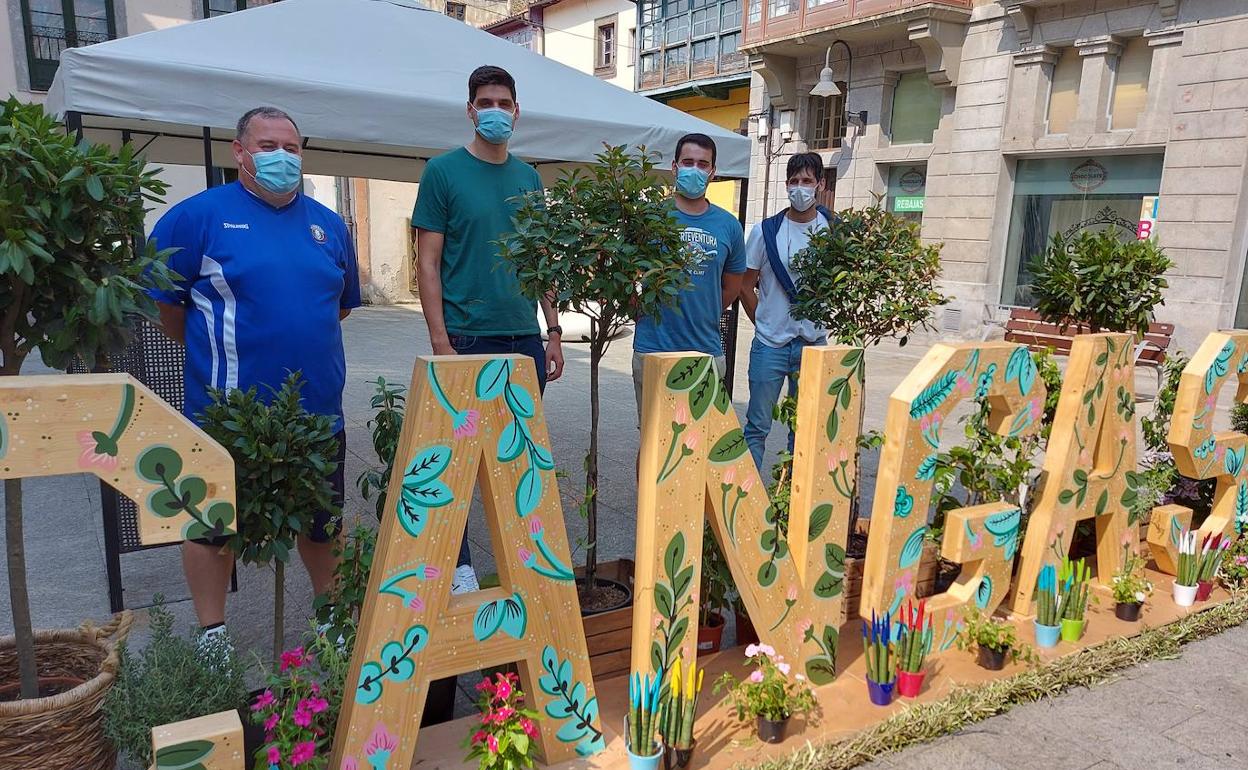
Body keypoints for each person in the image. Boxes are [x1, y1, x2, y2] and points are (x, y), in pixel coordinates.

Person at [148, 106, 360, 646]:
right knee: (211, 526)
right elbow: (167, 309)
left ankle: (332, 623)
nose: (282, 157)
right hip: (229, 418)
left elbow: (337, 307)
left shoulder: (328, 225)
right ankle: (212, 637)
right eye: (268, 146)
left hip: (317, 415)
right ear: (239, 152)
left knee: (323, 525)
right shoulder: (196, 218)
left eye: (291, 147)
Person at [411, 64, 564, 594]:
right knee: (457, 463)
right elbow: (426, 263)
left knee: (517, 459)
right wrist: (440, 342)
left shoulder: (528, 179)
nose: (495, 111)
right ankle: (460, 570)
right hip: (466, 339)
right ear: (470, 109)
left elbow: (542, 259)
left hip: (523, 339)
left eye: (504, 102)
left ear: (517, 111)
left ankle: (520, 561)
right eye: (486, 102)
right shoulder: (443, 172)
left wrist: (553, 330)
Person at [632, 133, 746, 423]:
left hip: (705, 350)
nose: (694, 169)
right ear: (674, 167)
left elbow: (733, 287)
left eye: (702, 164)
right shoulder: (649, 217)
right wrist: (640, 310)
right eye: (688, 162)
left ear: (713, 172)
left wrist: (702, 310)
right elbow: (625, 274)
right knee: (652, 445)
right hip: (653, 349)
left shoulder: (728, 225)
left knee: (700, 447)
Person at [739, 152, 831, 471]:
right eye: (794, 181)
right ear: (786, 186)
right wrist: (763, 320)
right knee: (757, 427)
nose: (800, 188)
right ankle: (747, 503)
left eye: (807, 181)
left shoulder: (834, 231)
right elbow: (744, 284)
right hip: (770, 346)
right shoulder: (765, 232)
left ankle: (792, 501)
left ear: (820, 184)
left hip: (813, 345)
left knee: (804, 430)